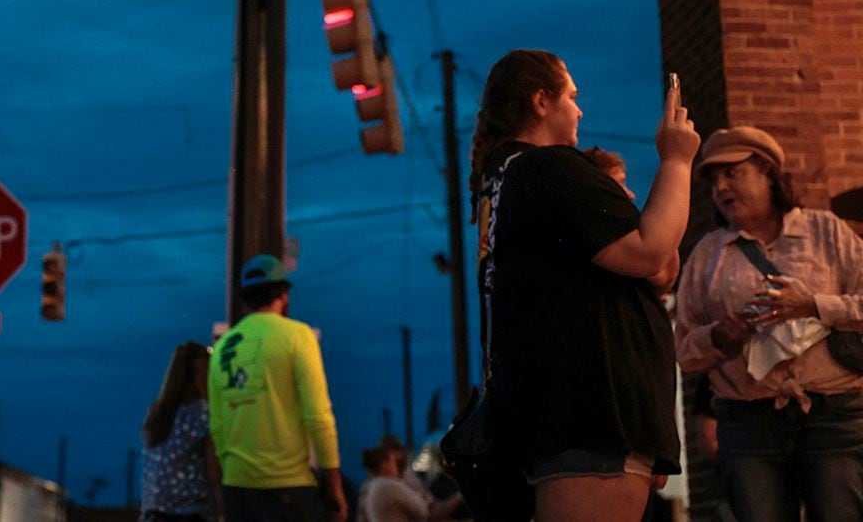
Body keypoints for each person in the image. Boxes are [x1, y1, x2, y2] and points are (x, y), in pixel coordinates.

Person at [468, 49, 699, 521]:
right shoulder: (549, 169)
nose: (580, 109)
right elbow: (649, 251)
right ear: (540, 101)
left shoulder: (504, 179)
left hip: (557, 418)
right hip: (592, 416)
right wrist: (677, 159)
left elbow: (655, 270)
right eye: (571, 96)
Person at [675, 125, 863, 520]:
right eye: (713, 180)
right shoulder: (708, 254)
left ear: (768, 173)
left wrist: (813, 304)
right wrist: (719, 335)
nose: (720, 187)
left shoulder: (826, 231)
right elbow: (683, 352)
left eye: (733, 173)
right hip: (748, 426)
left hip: (836, 418)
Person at [210, 254, 348, 522]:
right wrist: (334, 487)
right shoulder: (298, 335)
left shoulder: (223, 347)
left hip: (237, 488)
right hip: (288, 486)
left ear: (245, 298)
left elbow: (217, 424)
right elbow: (318, 416)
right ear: (284, 295)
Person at [142, 341, 222, 522]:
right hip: (189, 513)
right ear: (200, 374)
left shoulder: (158, 413)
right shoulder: (202, 413)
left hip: (154, 512)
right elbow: (213, 474)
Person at [357, 437, 459, 522]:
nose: (397, 465)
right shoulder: (389, 484)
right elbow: (425, 513)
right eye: (394, 461)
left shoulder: (372, 485)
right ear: (385, 464)